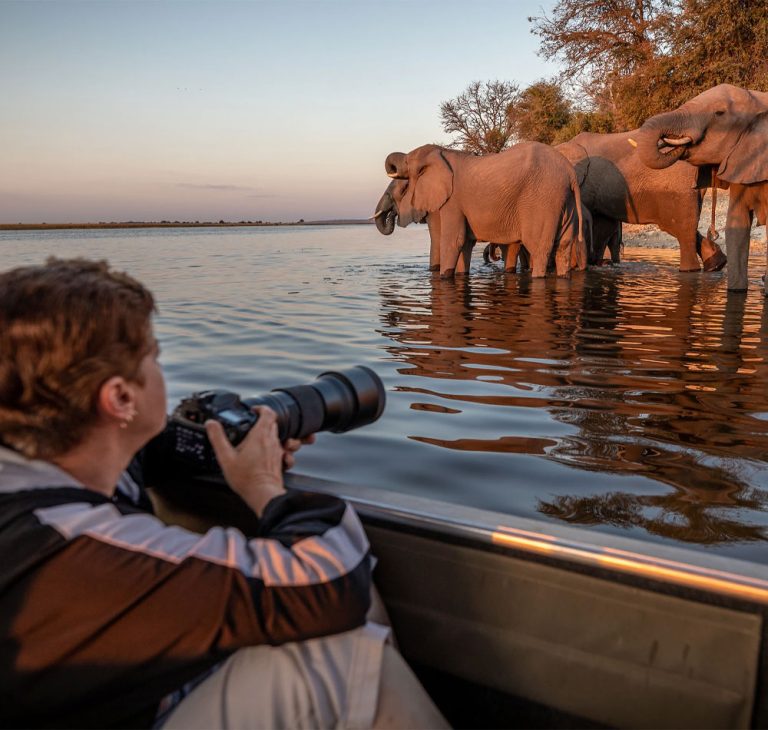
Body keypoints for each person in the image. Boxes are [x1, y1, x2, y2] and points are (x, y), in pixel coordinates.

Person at [0, 258, 446, 729]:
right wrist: (265, 487)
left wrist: (219, 440)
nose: (160, 369)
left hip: (114, 700)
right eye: (152, 356)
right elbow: (332, 576)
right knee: (338, 659)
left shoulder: (40, 459)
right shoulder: (71, 545)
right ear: (120, 399)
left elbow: (144, 455)